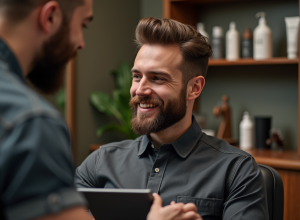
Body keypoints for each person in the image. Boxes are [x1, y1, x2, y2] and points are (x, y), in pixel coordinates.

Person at [0, 1, 193, 219]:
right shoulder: (29, 122)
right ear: (50, 17)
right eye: (83, 25)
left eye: (157, 78)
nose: (81, 43)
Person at [75, 17, 269, 219]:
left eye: (158, 78)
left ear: (194, 88)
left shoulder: (237, 172)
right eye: (137, 76)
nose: (140, 90)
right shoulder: (98, 165)